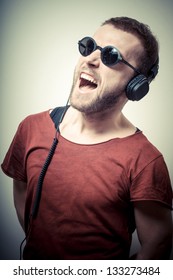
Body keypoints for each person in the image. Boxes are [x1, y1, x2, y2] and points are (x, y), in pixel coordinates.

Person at [1, 16, 173, 260]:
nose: (90, 60)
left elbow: (158, 245)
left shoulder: (145, 160)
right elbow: (21, 189)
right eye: (89, 46)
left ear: (136, 86)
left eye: (111, 56)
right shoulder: (32, 127)